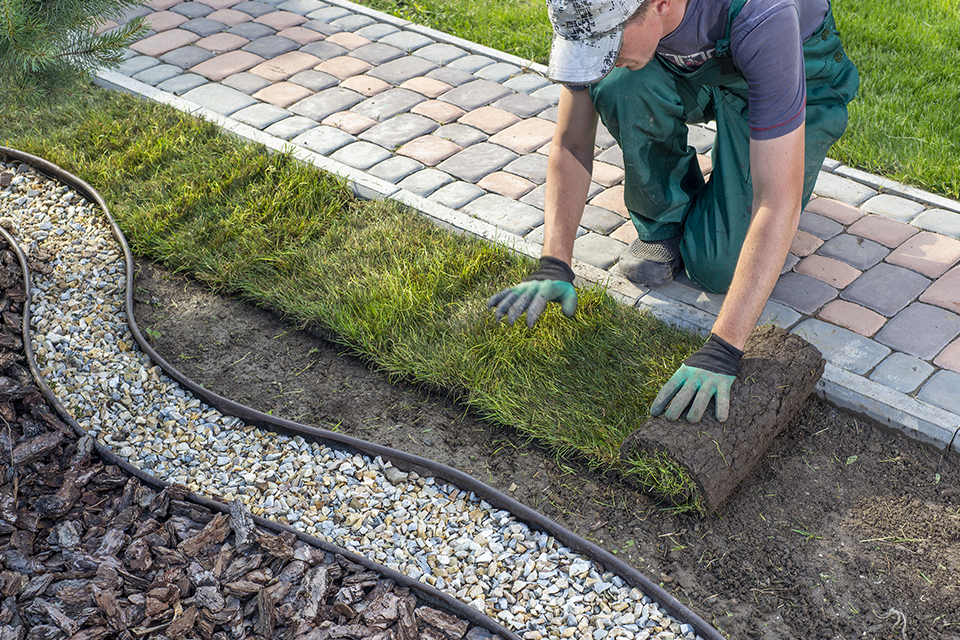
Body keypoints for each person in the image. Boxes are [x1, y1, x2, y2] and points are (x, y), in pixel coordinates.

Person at [488, 0, 858, 423]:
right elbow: (571, 142)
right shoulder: (595, 10)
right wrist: (554, 262)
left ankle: (743, 163)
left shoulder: (764, 15)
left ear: (661, 4)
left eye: (608, 43)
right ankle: (666, 223)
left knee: (719, 268)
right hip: (690, 65)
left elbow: (776, 200)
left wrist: (724, 347)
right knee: (616, 83)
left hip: (797, 70)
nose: (600, 55)